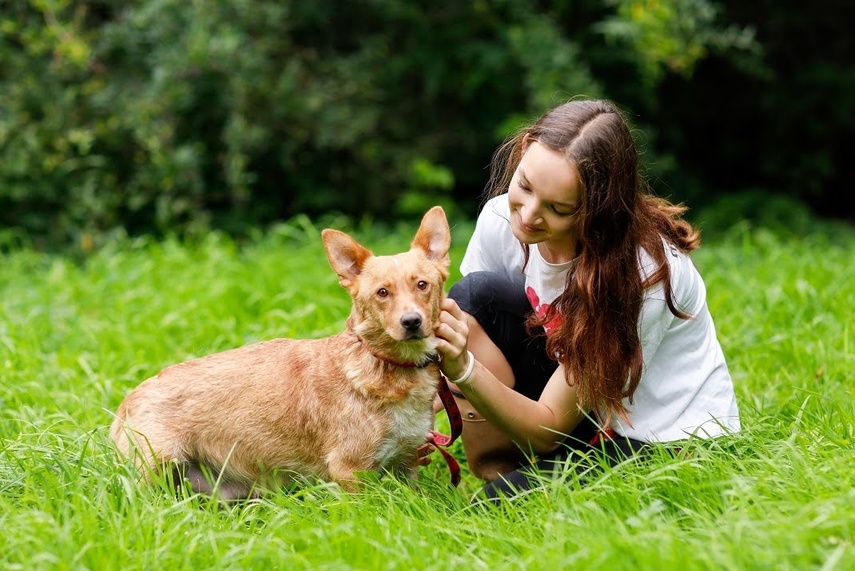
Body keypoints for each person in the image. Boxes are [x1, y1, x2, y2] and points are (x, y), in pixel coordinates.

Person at [430, 99, 740, 499]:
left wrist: (463, 371)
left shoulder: (640, 273)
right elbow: (471, 331)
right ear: (524, 149)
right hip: (578, 402)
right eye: (524, 186)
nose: (528, 215)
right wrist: (417, 409)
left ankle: (516, 480)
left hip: (659, 436)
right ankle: (499, 466)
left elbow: (547, 425)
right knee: (476, 295)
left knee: (499, 508)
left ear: (596, 209)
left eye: (558, 208)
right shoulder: (501, 220)